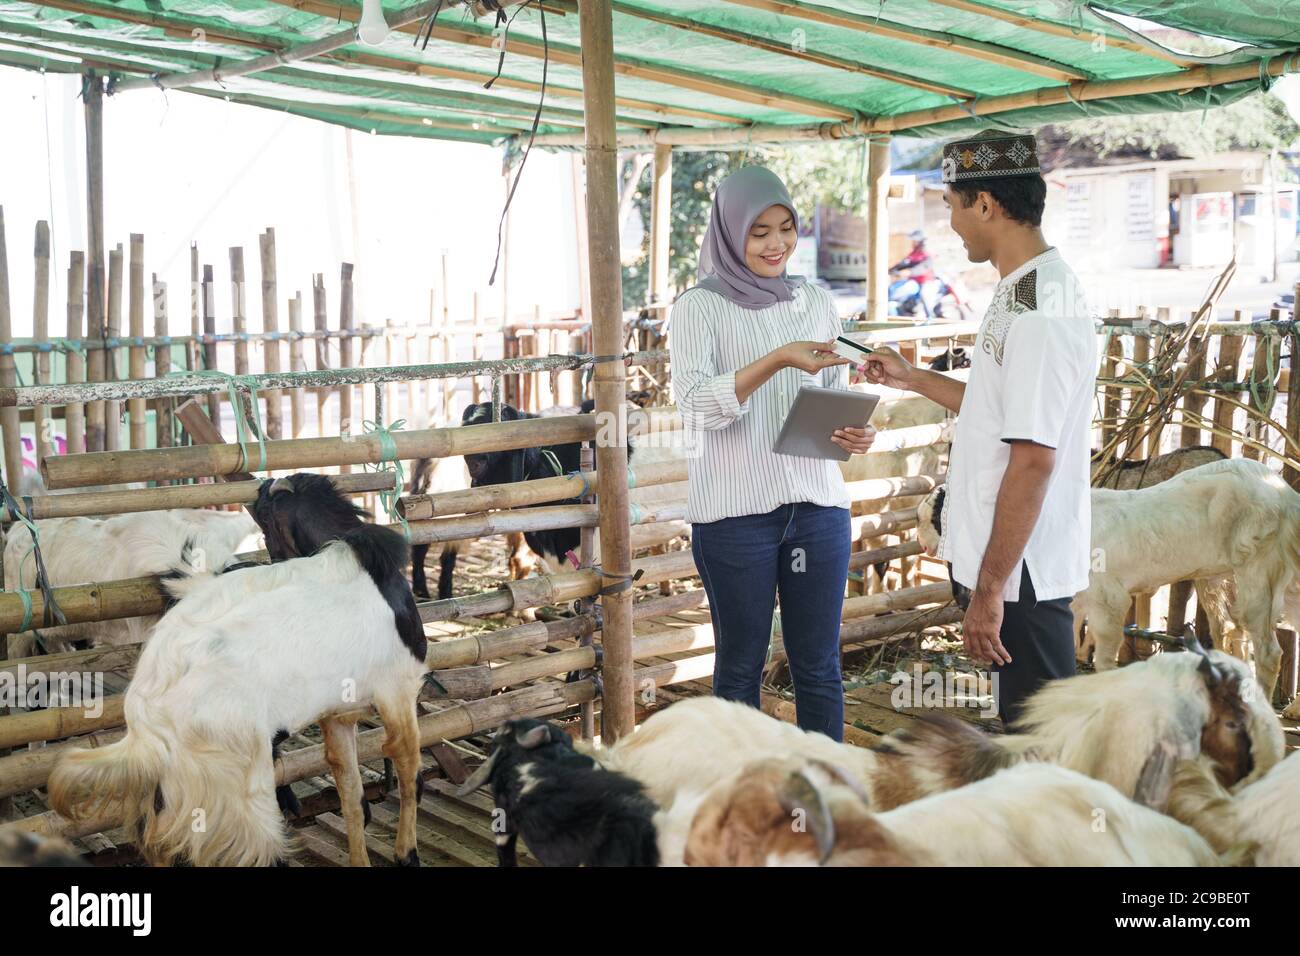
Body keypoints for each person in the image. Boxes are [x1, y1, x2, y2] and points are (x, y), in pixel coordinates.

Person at [863, 132, 1095, 728]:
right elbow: (999, 410)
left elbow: (1033, 459)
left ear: (986, 204)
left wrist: (991, 591)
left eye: (952, 206)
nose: (952, 223)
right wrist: (914, 379)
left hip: (1024, 576)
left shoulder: (1044, 308)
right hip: (1006, 567)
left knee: (1039, 743)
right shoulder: (1017, 290)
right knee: (1019, 736)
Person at [668, 166, 877, 740]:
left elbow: (831, 399)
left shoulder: (814, 300)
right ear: (730, 232)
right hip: (736, 517)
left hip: (818, 506)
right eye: (759, 231)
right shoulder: (697, 308)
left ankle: (826, 797)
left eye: (786, 228)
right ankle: (744, 806)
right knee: (740, 672)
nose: (776, 244)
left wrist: (854, 435)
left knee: (818, 668)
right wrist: (777, 359)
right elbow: (693, 407)